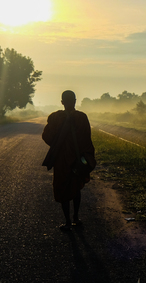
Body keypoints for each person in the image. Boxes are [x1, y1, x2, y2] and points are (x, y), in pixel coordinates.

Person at [42, 90, 96, 231]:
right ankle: (76, 218)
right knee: (76, 187)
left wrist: (58, 145)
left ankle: (66, 221)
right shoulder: (82, 118)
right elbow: (86, 139)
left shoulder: (55, 118)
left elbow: (46, 136)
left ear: (62, 102)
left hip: (61, 161)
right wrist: (86, 156)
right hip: (77, 160)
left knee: (62, 188)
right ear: (75, 101)